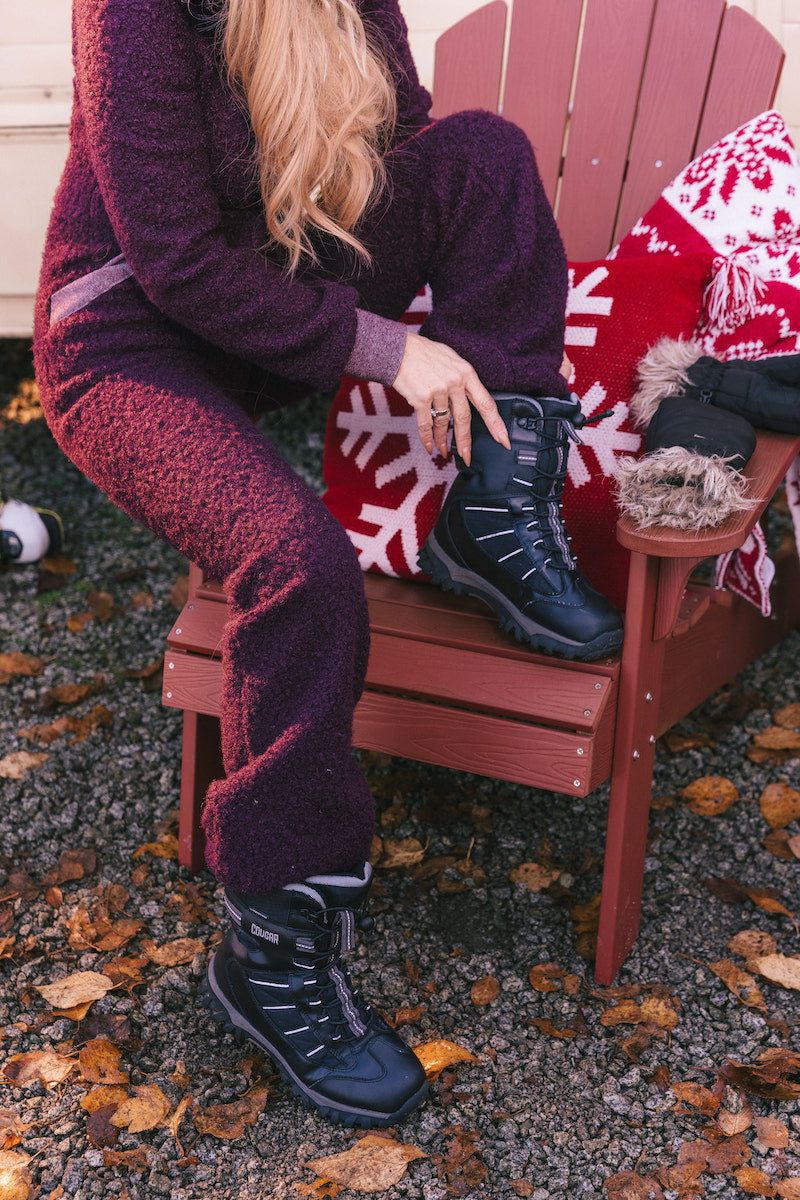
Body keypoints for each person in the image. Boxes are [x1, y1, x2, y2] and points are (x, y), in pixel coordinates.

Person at [33, 0, 622, 1128]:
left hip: (266, 277)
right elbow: (172, 261)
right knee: (299, 564)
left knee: (480, 158)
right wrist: (389, 348)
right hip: (127, 341)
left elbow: (398, 137)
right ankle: (272, 947)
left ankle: (492, 516)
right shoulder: (134, 10)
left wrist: (325, 54)